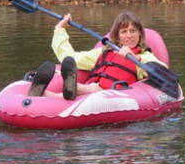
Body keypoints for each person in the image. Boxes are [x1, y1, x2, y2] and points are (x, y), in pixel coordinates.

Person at [27, 10, 168, 100]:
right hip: (90, 94)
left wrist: (136, 59)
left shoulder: (144, 57)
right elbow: (71, 58)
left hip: (112, 96)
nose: (129, 35)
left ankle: (72, 86)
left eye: (133, 31)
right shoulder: (103, 52)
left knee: (92, 89)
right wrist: (60, 30)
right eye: (124, 31)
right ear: (117, 35)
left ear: (139, 33)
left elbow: (162, 72)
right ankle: (42, 91)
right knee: (60, 96)